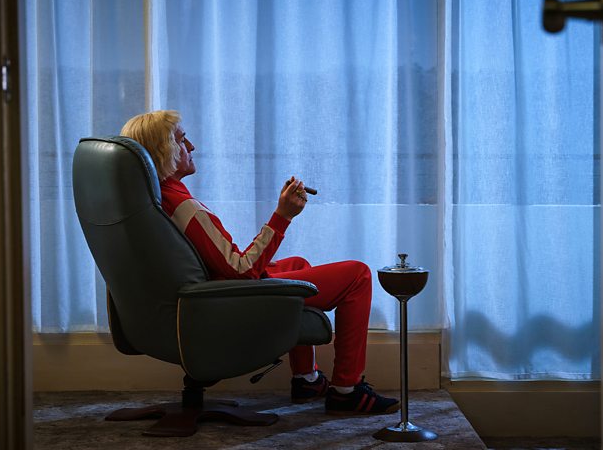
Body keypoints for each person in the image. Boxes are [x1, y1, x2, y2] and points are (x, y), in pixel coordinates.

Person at [120, 110, 399, 416]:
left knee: (296, 264)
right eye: (182, 140)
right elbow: (242, 269)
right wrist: (283, 216)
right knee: (357, 275)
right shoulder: (184, 206)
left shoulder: (160, 198)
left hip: (209, 291)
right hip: (225, 299)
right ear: (164, 150)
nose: (192, 147)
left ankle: (307, 379)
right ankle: (347, 390)